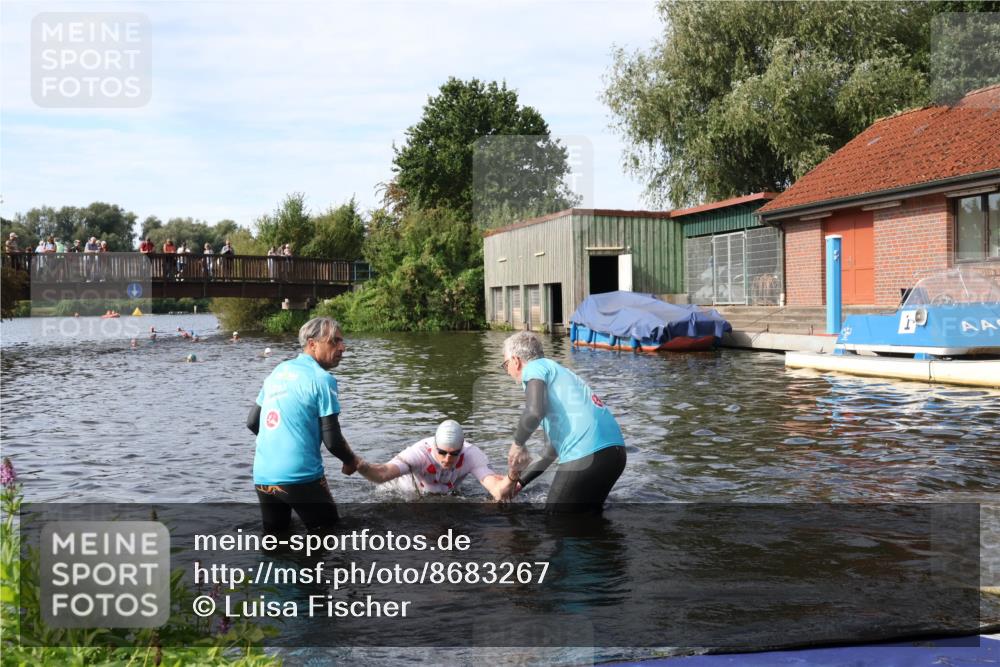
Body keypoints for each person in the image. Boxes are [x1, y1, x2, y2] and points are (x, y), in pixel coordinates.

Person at [246, 317, 359, 534]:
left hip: (263, 474)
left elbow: (252, 422)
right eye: (334, 342)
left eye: (342, 342)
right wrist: (351, 461)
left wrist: (280, 442)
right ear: (312, 343)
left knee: (276, 541)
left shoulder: (278, 371)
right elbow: (333, 441)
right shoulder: (322, 379)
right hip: (300, 476)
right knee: (329, 537)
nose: (342, 348)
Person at [502, 331, 626, 512]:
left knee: (555, 523)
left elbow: (534, 412)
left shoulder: (533, 368)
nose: (508, 372)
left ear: (516, 360)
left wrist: (517, 444)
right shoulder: (561, 375)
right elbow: (549, 452)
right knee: (586, 521)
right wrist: (519, 484)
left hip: (586, 453)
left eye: (505, 365)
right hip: (615, 454)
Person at [355, 419, 517, 500]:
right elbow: (382, 474)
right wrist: (359, 465)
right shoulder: (419, 454)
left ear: (462, 448)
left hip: (444, 492)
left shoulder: (471, 454)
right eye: (442, 452)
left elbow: (497, 491)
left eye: (454, 453)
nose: (448, 459)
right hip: (407, 494)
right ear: (434, 447)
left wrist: (513, 474)